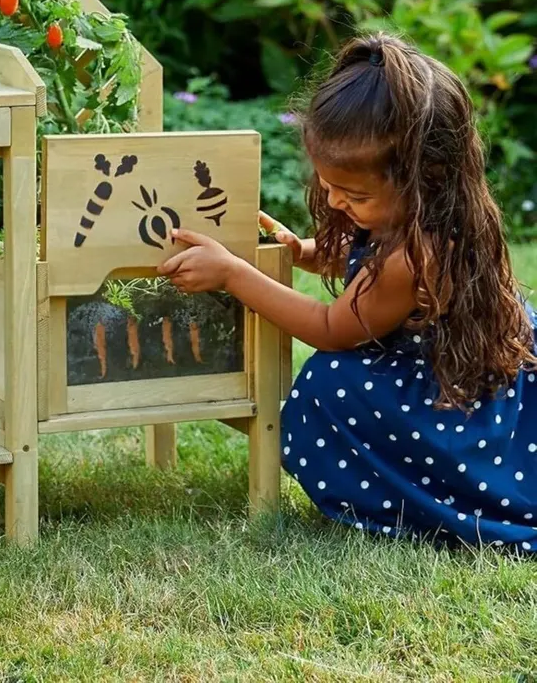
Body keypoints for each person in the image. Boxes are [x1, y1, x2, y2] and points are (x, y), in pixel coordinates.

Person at [159, 34, 537, 551]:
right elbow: (359, 262)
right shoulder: (407, 218)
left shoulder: (417, 255)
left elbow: (332, 328)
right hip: (437, 367)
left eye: (354, 194)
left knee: (330, 384)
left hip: (454, 402)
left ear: (426, 176)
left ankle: (420, 499)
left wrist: (233, 275)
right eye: (328, 184)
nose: (335, 199)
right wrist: (302, 251)